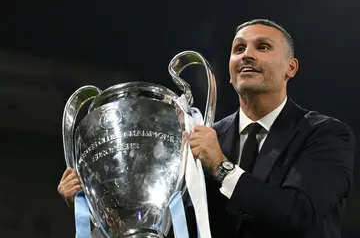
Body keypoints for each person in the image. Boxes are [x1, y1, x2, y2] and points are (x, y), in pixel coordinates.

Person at [59, 19, 355, 238]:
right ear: (229, 71)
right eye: (238, 49)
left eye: (262, 47)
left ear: (291, 67)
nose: (246, 55)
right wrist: (100, 210)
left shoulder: (325, 135)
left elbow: (302, 217)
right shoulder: (199, 139)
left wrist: (221, 166)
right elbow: (172, 230)